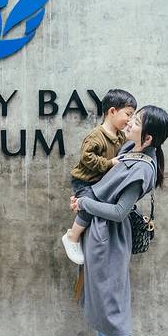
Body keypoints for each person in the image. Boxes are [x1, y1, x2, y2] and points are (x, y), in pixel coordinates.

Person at [70, 105, 168, 336]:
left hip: (110, 243)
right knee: (98, 307)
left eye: (136, 121)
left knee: (113, 314)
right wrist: (85, 202)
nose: (129, 123)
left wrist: (85, 203)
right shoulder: (129, 150)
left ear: (148, 137)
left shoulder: (142, 170)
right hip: (98, 239)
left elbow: (118, 212)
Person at [62, 89, 137, 265]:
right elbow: (87, 158)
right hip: (85, 180)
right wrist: (110, 163)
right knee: (88, 205)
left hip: (100, 182)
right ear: (112, 111)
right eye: (128, 114)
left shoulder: (121, 136)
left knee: (98, 208)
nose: (129, 120)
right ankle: (72, 237)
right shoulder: (96, 136)